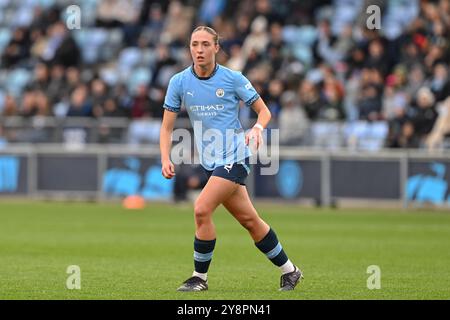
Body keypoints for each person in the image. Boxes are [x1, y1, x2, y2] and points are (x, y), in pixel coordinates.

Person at [159, 26, 303, 292]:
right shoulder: (178, 82)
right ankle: (290, 271)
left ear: (216, 48)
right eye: (194, 44)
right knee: (250, 221)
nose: (199, 50)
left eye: (205, 44)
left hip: (236, 156)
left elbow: (264, 112)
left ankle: (199, 278)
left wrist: (257, 130)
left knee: (201, 208)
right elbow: (167, 127)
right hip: (211, 161)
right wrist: (165, 157)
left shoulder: (233, 78)